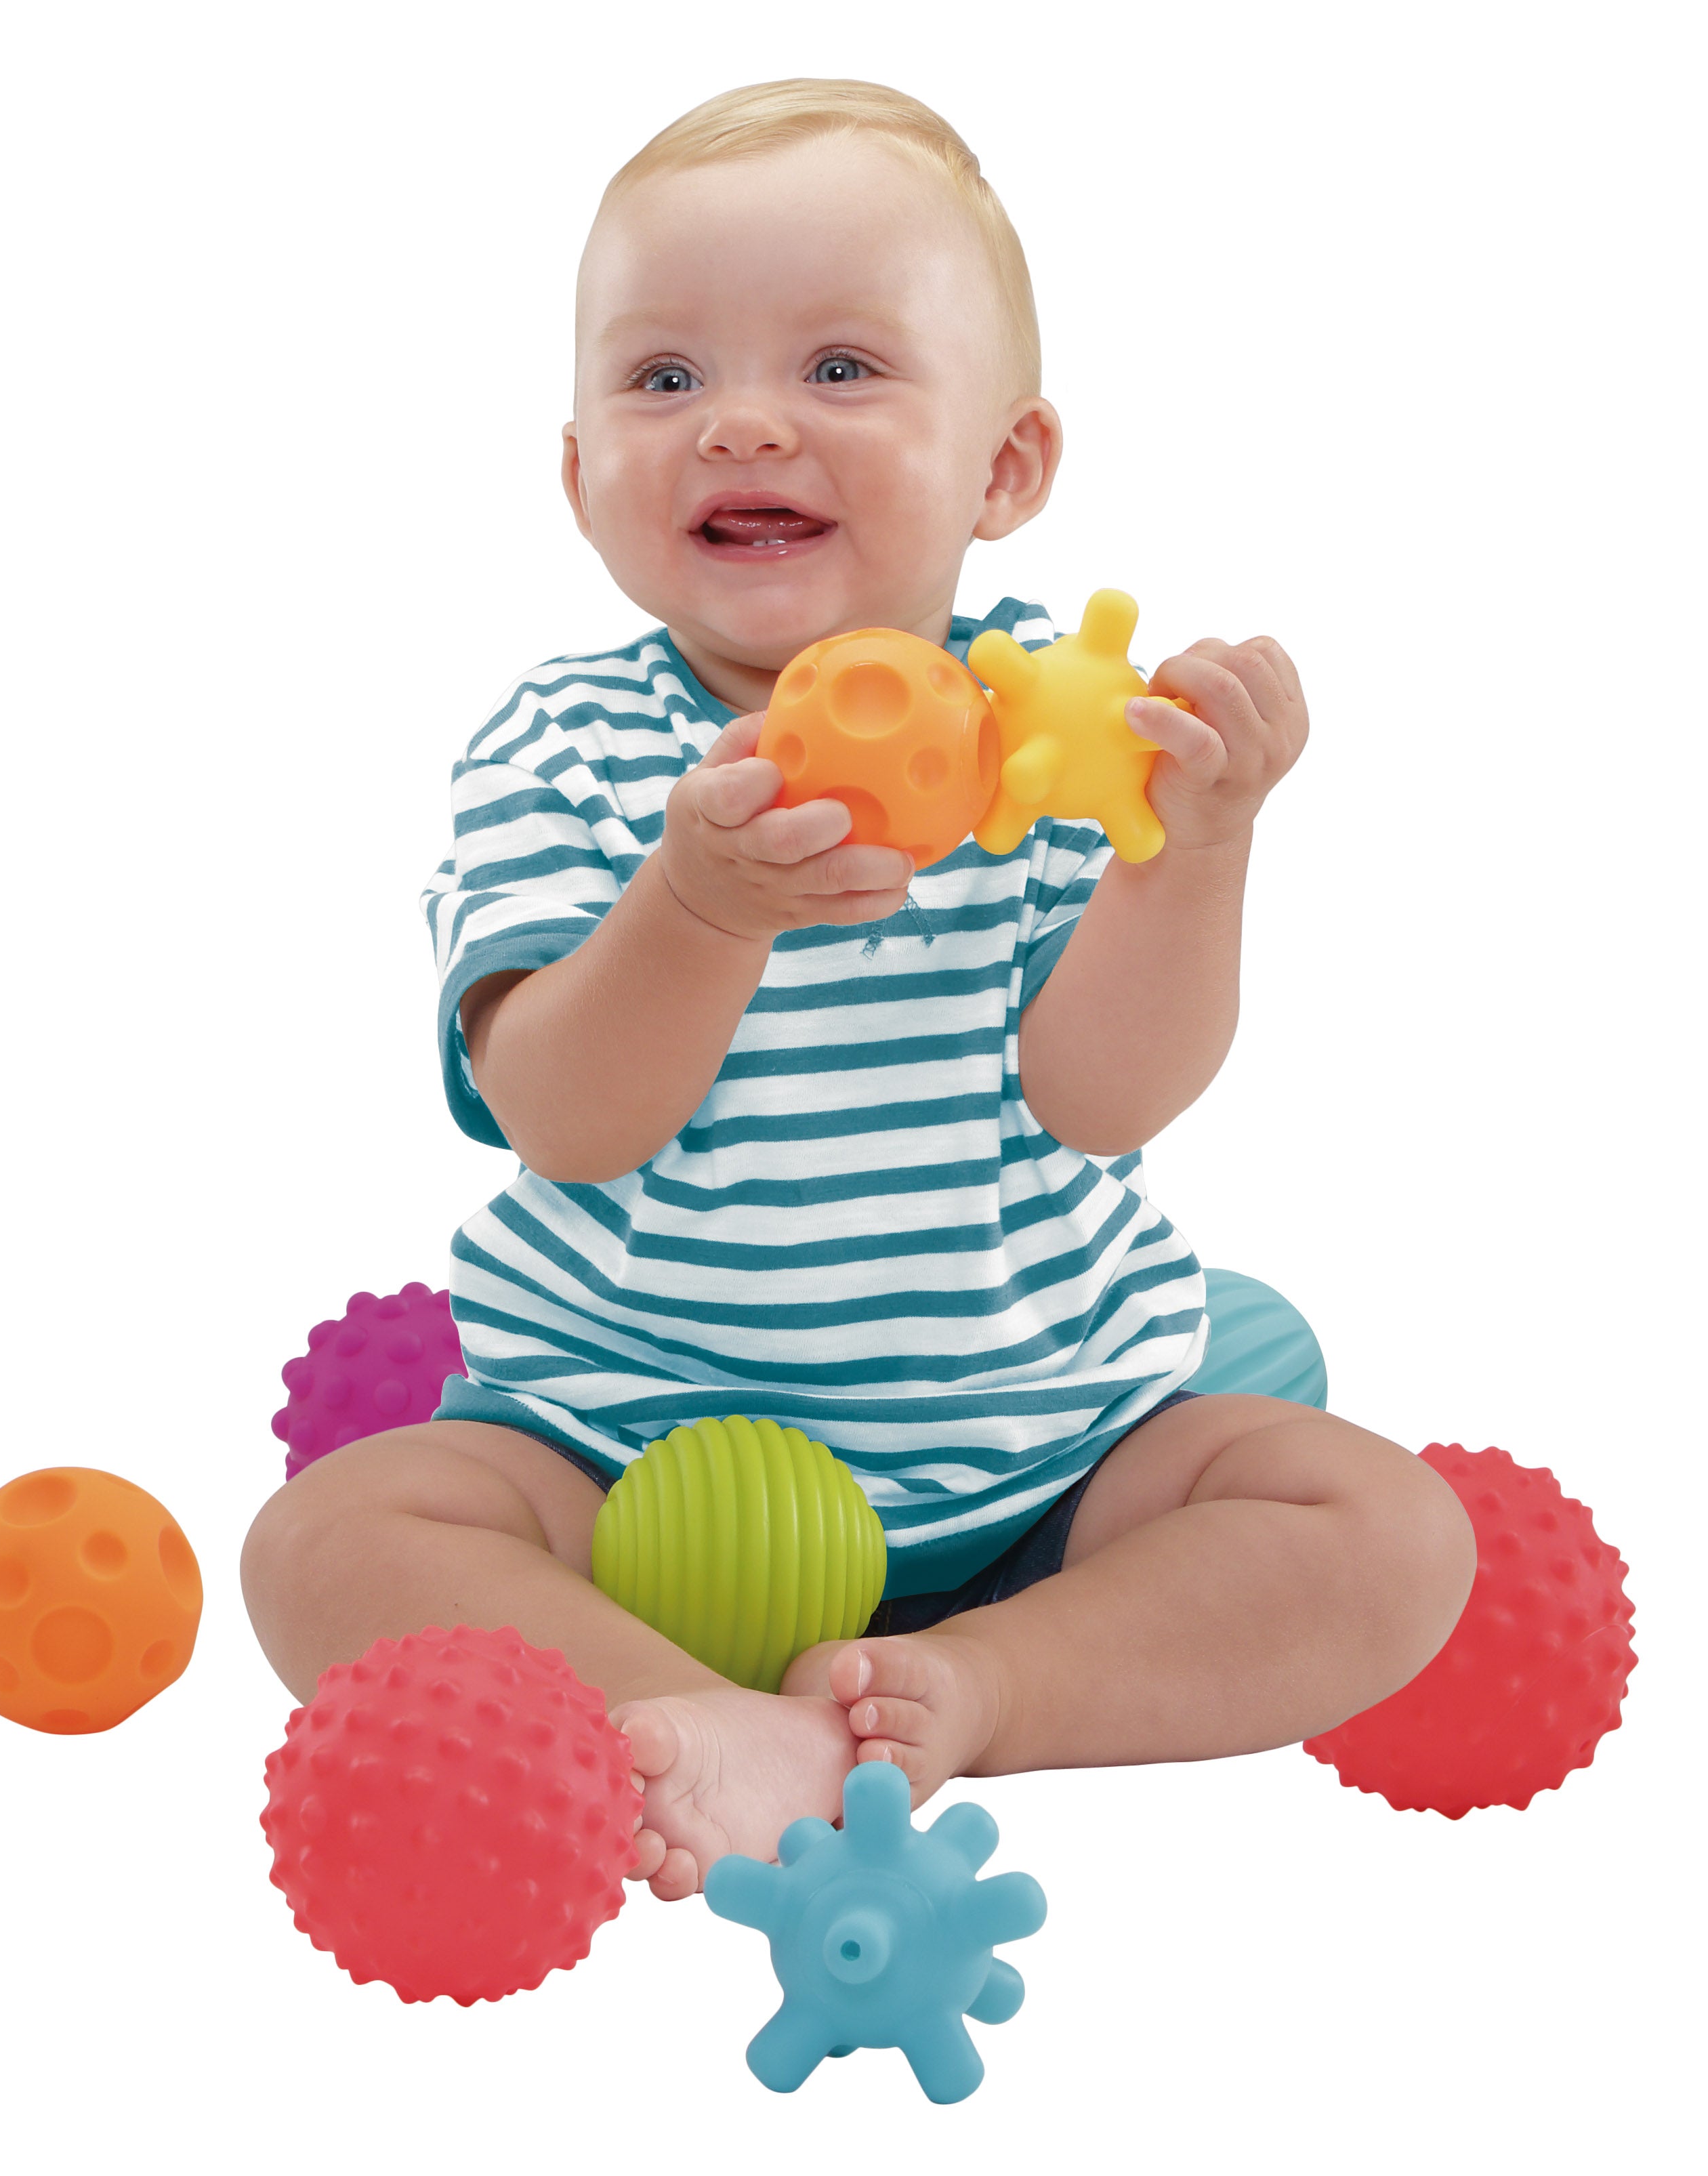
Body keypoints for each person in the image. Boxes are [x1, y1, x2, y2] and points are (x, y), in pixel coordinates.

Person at [241, 79, 1475, 1904]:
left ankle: (978, 1687)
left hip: (1042, 1462)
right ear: (580, 479)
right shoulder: (563, 748)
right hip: (617, 1458)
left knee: (1390, 1535)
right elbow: (564, 1118)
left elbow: (1105, 1100)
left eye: (839, 368)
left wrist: (1194, 851)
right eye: (664, 377)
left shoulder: (1061, 732)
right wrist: (698, 903)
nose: (742, 420)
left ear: (1006, 468)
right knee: (328, 1543)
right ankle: (694, 1712)